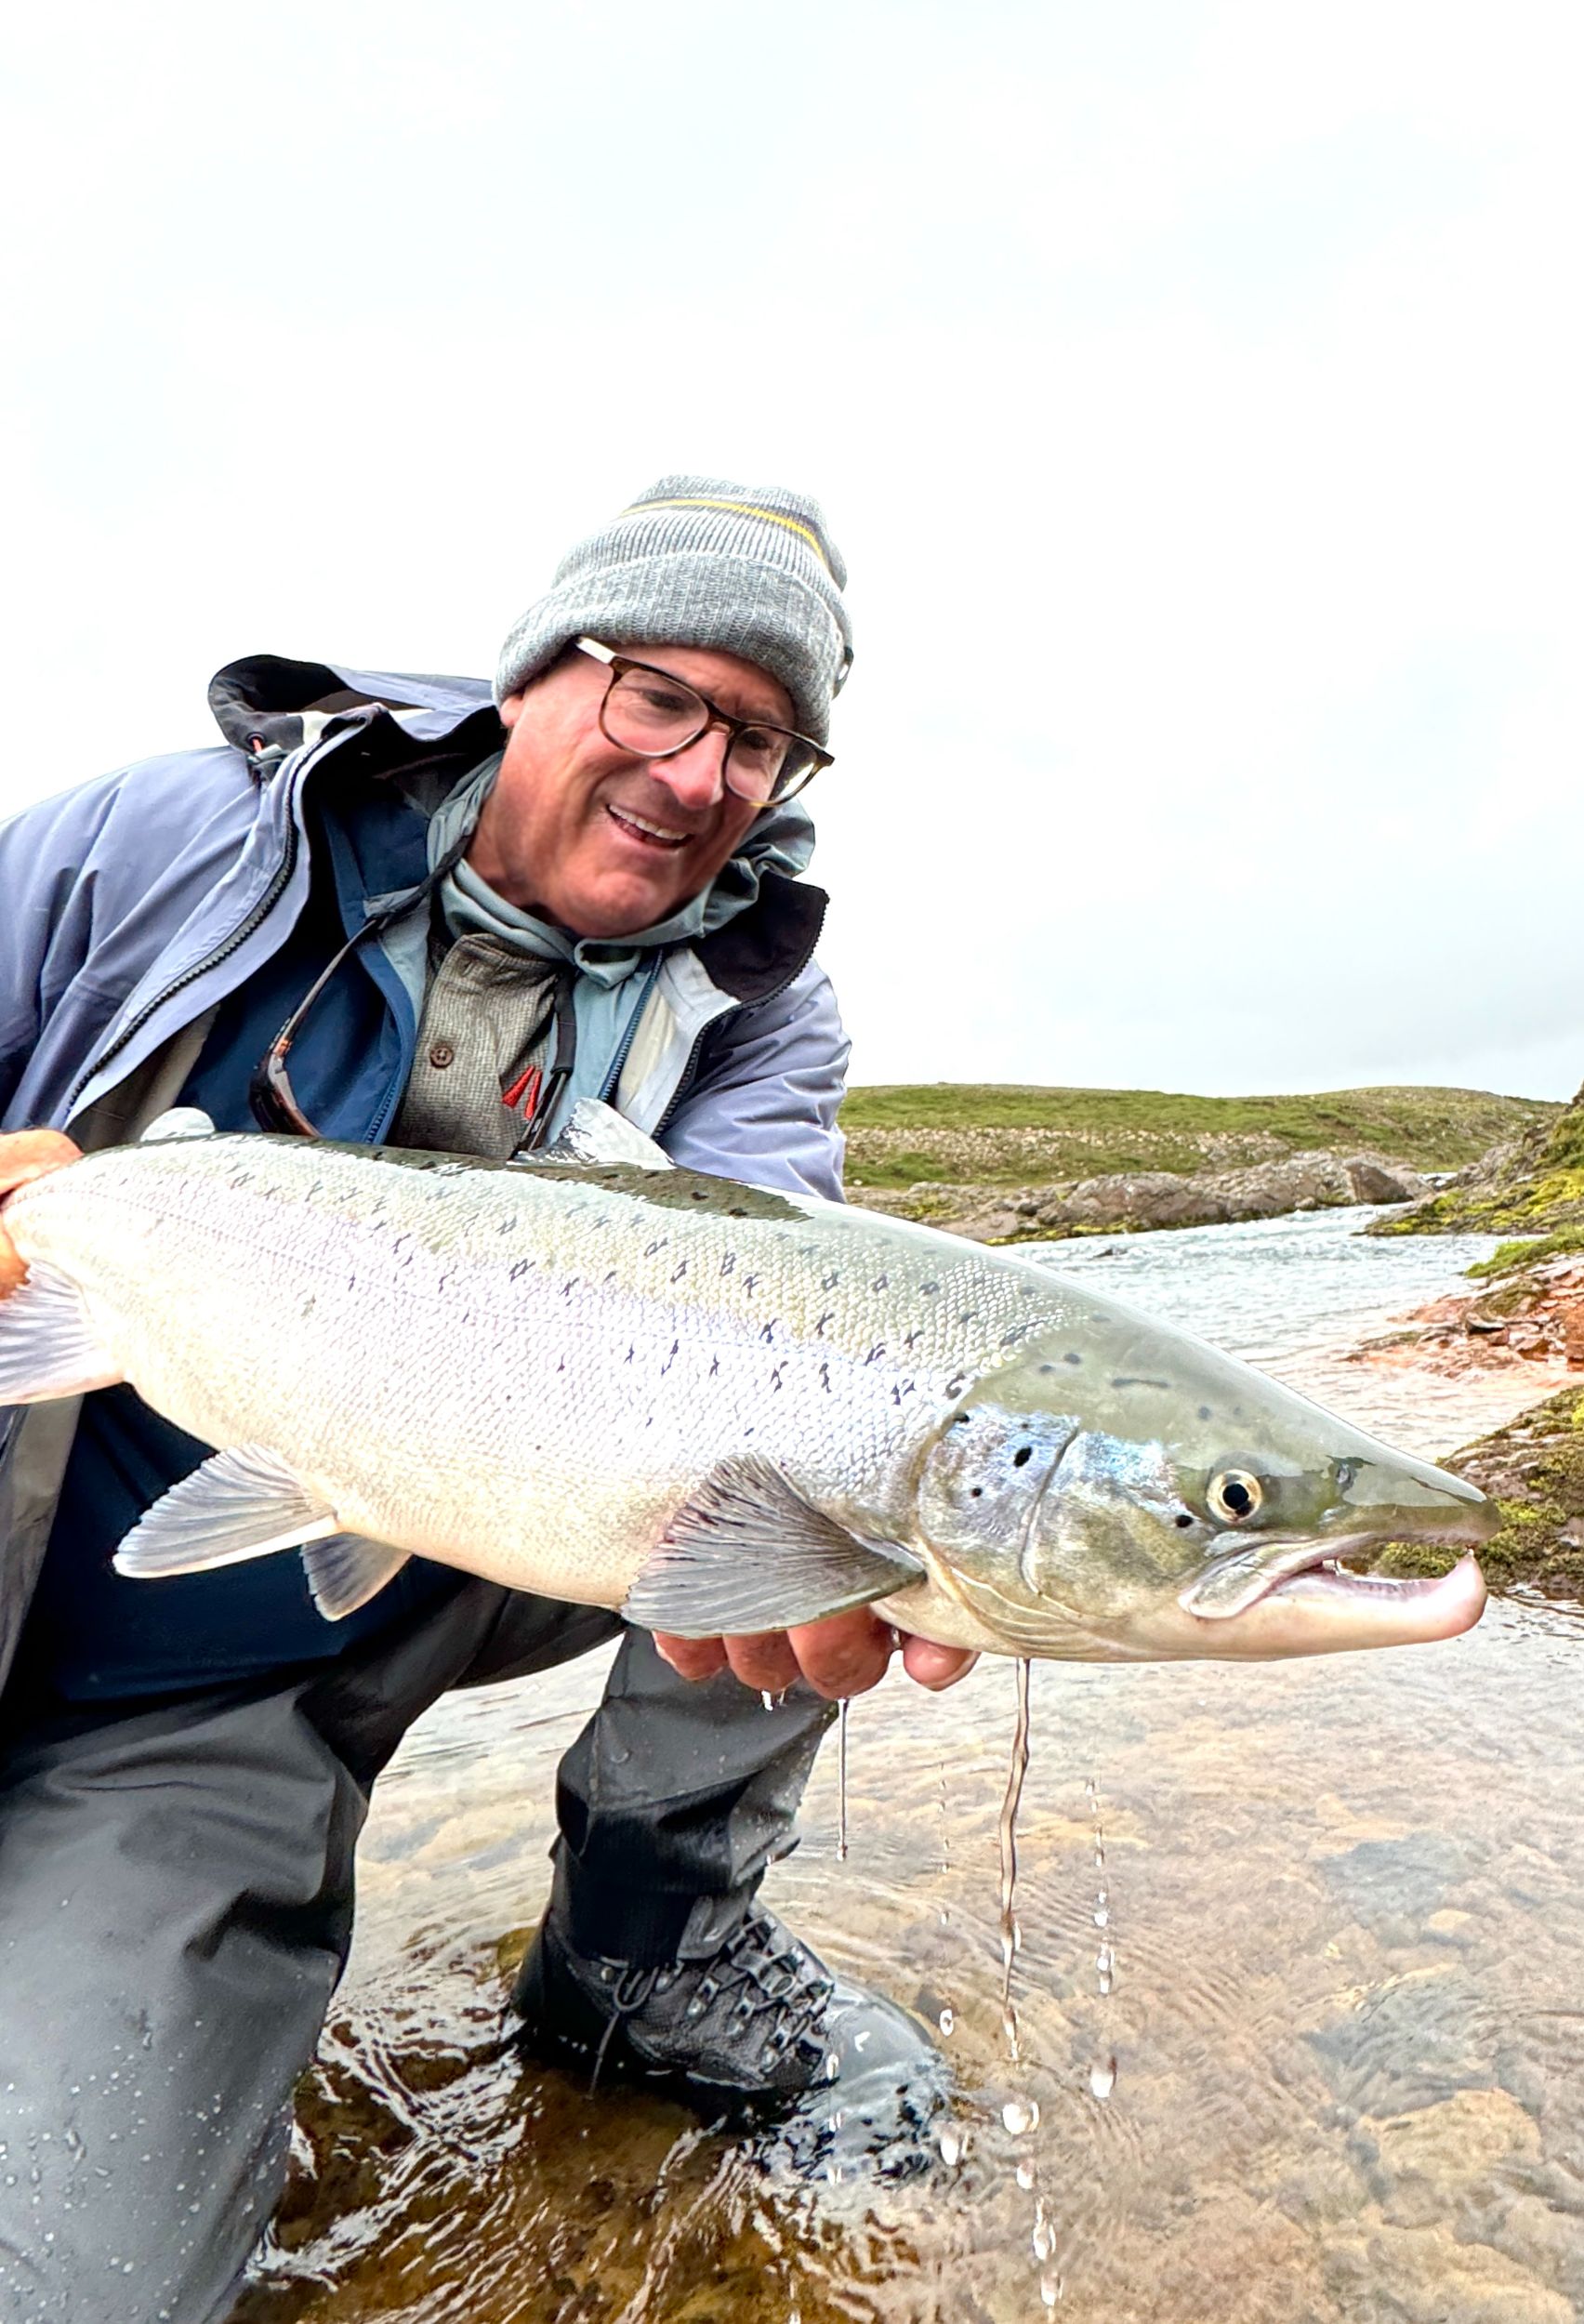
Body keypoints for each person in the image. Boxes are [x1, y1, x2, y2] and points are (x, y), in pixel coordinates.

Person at [0, 477, 975, 2324]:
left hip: (237, 1692)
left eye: (762, 740)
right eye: (659, 696)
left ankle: (648, 1966)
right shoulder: (165, 839)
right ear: (534, 675)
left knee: (838, 1479)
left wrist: (879, 1529)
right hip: (49, 1560)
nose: (699, 775)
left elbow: (788, 1293)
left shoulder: (757, 1001)